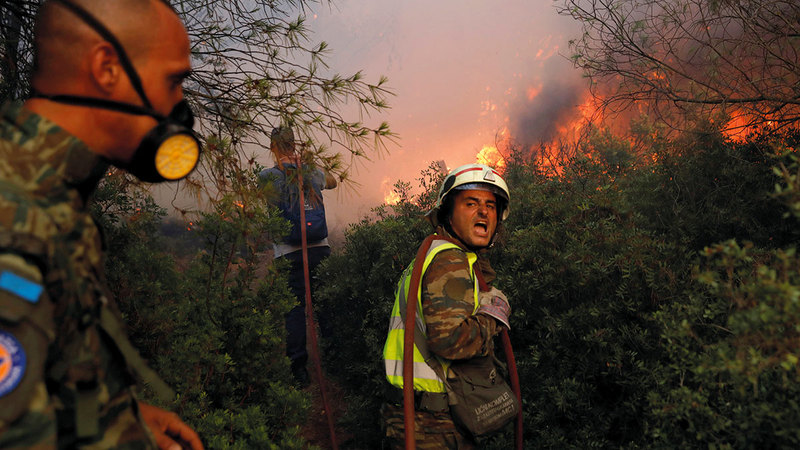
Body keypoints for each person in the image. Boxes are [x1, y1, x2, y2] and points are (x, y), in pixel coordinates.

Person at [0, 0, 203, 448]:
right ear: (106, 68)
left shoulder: (49, 192)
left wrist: (120, 417)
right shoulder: (17, 224)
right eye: (173, 81)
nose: (181, 108)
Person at [382, 163, 513, 449]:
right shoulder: (449, 261)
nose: (483, 212)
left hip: (415, 414)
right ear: (448, 212)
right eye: (471, 203)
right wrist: (494, 315)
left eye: (491, 206)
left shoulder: (436, 252)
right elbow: (450, 341)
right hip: (432, 426)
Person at [260, 126, 337, 387]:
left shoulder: (267, 176)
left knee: (294, 311)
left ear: (273, 146)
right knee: (325, 305)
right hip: (319, 248)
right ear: (293, 144)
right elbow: (334, 181)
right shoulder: (312, 171)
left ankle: (299, 372)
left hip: (288, 253)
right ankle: (335, 359)